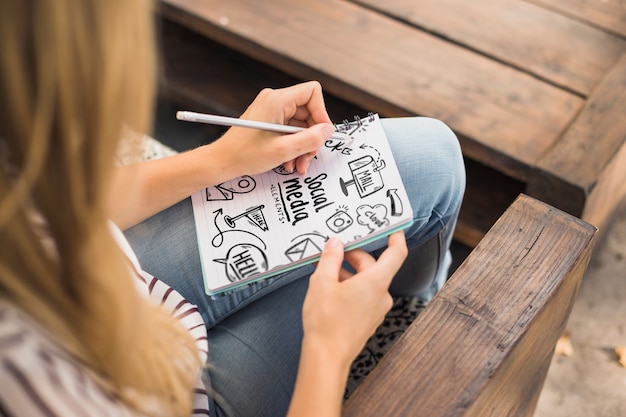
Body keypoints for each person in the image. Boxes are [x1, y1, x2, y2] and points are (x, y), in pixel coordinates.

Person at [0, 1, 465, 417]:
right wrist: (330, 352)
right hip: (177, 398)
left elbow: (50, 201)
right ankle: (405, 310)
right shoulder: (26, 380)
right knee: (398, 210)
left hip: (123, 290)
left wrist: (220, 158)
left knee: (431, 155)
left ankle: (403, 297)